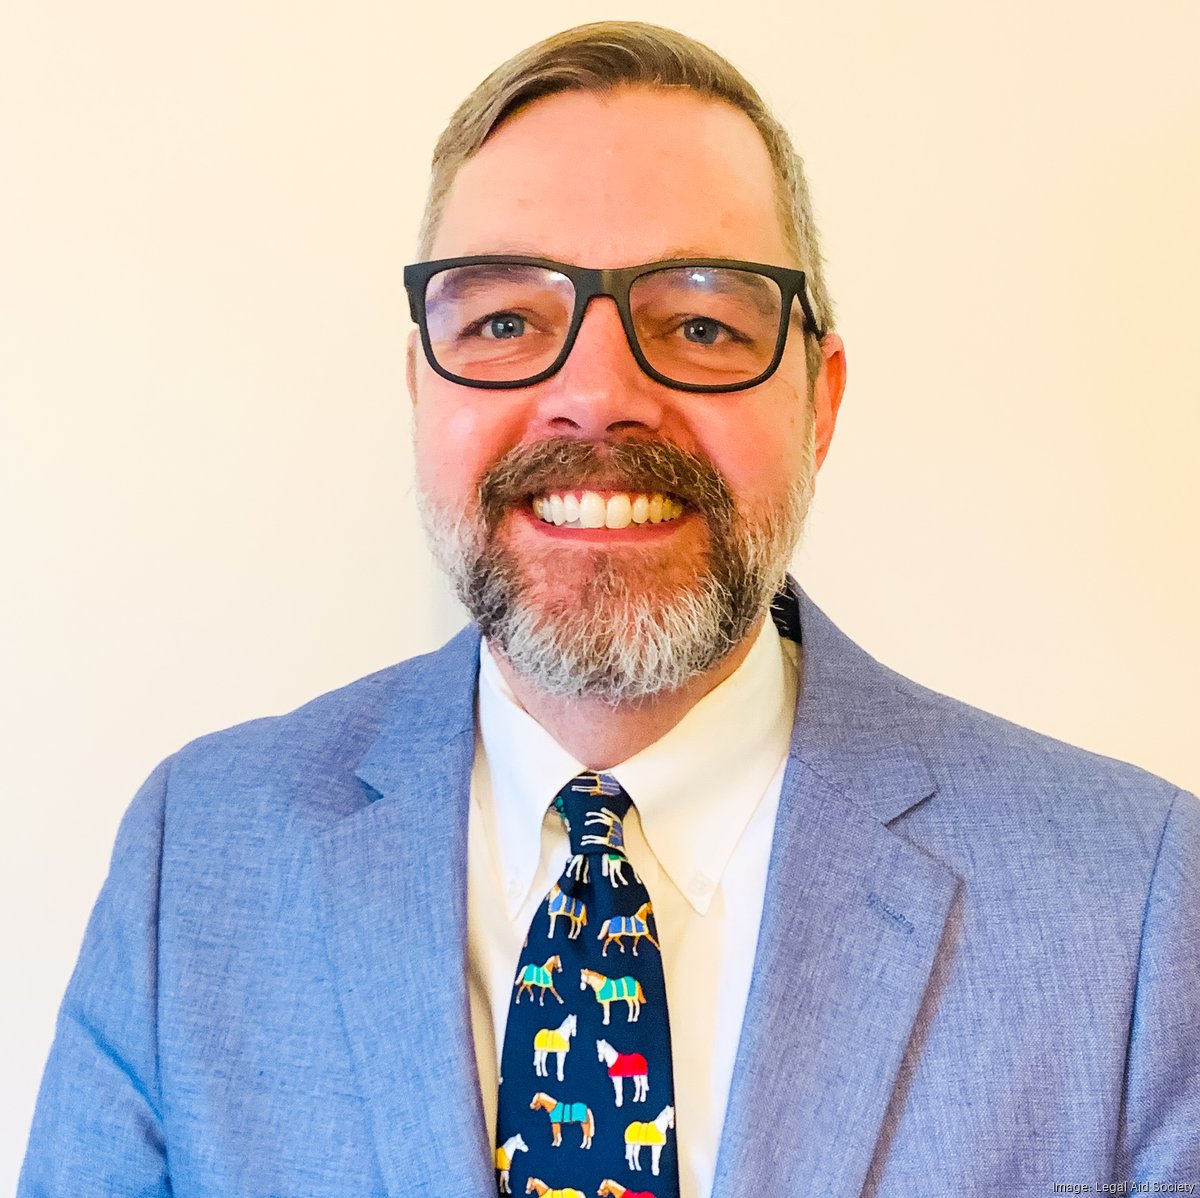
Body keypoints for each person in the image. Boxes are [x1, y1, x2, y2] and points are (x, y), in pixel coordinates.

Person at [20, 21, 1199, 1198]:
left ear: (820, 403)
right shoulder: (196, 860)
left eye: (701, 324)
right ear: (420, 388)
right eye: (504, 322)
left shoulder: (1134, 904)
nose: (595, 396)